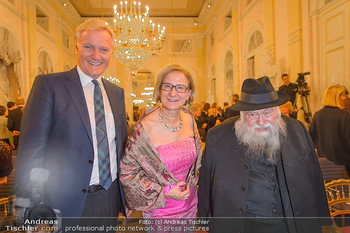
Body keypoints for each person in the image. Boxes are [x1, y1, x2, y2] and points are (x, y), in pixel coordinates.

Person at [14, 18, 127, 223]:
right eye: (88, 47)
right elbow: (31, 154)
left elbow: (119, 147)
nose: (96, 55)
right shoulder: (49, 85)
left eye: (103, 49)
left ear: (111, 53)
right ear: (76, 48)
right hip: (62, 203)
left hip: (109, 198)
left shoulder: (116, 93)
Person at [198, 76, 330, 233]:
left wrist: (322, 220)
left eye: (267, 113)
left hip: (289, 221)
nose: (261, 122)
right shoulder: (218, 136)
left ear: (278, 111)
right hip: (243, 223)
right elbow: (206, 183)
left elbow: (314, 176)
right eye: (253, 115)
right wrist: (203, 224)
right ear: (242, 114)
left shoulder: (297, 130)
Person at [120, 64, 202, 232]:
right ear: (159, 90)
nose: (173, 93)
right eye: (167, 86)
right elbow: (127, 174)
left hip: (190, 203)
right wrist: (163, 191)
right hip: (161, 209)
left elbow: (196, 163)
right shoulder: (144, 127)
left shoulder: (189, 119)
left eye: (180, 87)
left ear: (189, 93)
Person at [309, 85, 350, 175]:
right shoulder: (344, 115)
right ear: (335, 96)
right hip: (343, 167)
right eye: (343, 95)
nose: (345, 98)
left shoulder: (317, 115)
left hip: (323, 166)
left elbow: (311, 139)